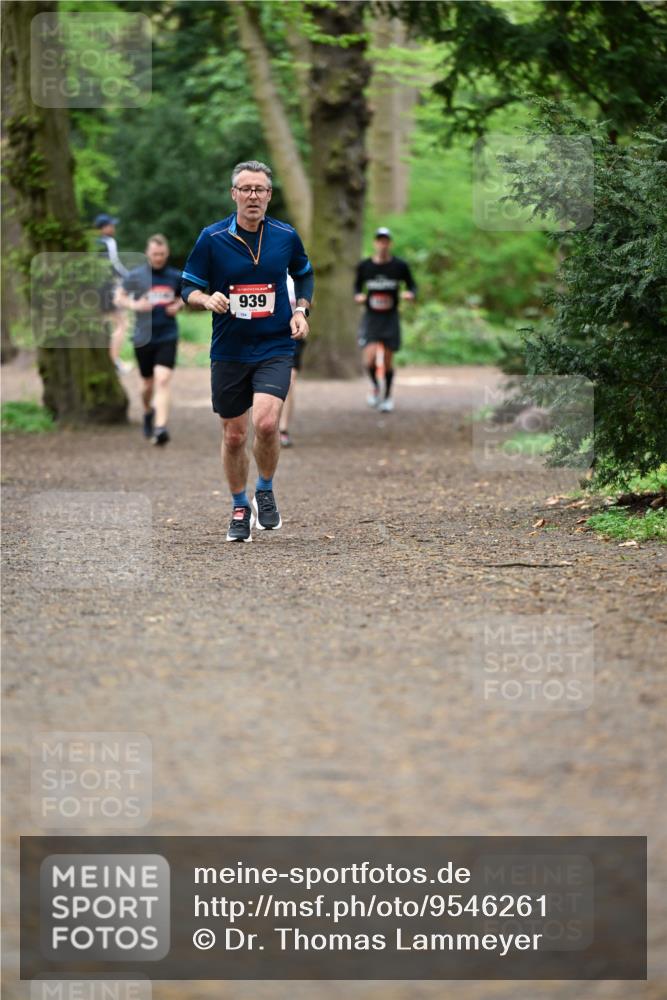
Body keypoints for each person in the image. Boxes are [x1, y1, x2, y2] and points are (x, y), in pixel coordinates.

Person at [180, 160, 314, 542]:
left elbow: (304, 272)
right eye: (246, 189)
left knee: (268, 424)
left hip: (274, 344)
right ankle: (240, 505)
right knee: (235, 436)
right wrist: (207, 300)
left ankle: (265, 490)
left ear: (270, 196)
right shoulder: (212, 238)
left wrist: (301, 310)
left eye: (260, 189)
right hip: (230, 350)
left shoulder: (285, 236)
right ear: (234, 194)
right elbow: (187, 287)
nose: (253, 196)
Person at [115, 234, 183, 446]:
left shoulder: (175, 276)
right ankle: (147, 411)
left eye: (162, 254)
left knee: (162, 379)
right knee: (146, 384)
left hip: (167, 334)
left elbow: (185, 296)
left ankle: (161, 427)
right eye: (155, 254)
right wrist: (135, 305)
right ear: (147, 253)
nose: (159, 258)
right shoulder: (136, 276)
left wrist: (178, 305)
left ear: (167, 253)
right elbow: (119, 297)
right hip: (143, 337)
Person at [354, 226, 416, 412]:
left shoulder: (399, 266)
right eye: (379, 240)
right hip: (372, 317)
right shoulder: (365, 266)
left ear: (389, 243)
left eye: (385, 240)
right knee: (369, 360)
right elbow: (357, 287)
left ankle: (388, 396)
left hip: (390, 317)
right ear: (375, 243)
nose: (382, 244)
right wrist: (358, 296)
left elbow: (412, 285)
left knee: (388, 361)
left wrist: (409, 294)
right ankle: (375, 387)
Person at [94, 212, 131, 375]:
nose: (113, 228)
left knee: (103, 324)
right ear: (105, 228)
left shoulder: (93, 243)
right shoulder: (109, 242)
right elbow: (114, 265)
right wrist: (129, 278)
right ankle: (114, 362)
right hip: (107, 289)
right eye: (111, 225)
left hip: (94, 289)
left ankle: (105, 362)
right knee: (122, 324)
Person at [279, 274, 305, 448]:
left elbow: (308, 301)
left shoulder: (299, 275)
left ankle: (283, 429)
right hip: (263, 337)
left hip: (293, 335)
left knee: (289, 380)